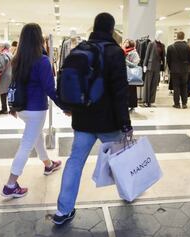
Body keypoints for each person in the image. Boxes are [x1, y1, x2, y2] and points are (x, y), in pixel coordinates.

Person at [53, 13, 132, 225]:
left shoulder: (81, 49)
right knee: (121, 160)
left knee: (75, 161)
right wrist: (125, 123)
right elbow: (119, 92)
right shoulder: (115, 52)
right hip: (109, 122)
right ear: (111, 29)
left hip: (83, 120)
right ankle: (128, 193)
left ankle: (63, 211)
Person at [1, 23, 63, 198]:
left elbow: (13, 84)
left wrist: (12, 106)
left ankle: (48, 164)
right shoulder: (42, 61)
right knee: (26, 145)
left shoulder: (16, 58)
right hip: (36, 109)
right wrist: (65, 107)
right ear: (38, 39)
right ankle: (10, 185)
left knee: (37, 137)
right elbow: (50, 89)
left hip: (21, 109)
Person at [166, 31, 190, 109]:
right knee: (184, 86)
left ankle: (177, 104)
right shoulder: (187, 47)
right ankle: (184, 103)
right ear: (183, 37)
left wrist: (171, 68)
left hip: (174, 70)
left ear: (176, 37)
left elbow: (168, 60)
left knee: (176, 87)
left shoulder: (170, 47)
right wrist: (189, 69)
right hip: (185, 70)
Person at [0, 42, 12, 115]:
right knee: (10, 93)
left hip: (4, 76)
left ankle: (4, 109)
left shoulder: (2, 55)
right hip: (11, 75)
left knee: (3, 93)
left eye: (0, 46)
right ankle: (11, 109)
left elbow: (0, 66)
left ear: (4, 47)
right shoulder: (10, 54)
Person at [123, 39, 140, 111]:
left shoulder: (134, 53)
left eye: (126, 42)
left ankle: (132, 105)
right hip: (124, 74)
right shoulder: (123, 51)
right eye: (125, 42)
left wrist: (125, 61)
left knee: (131, 90)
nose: (125, 43)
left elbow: (135, 65)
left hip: (130, 74)